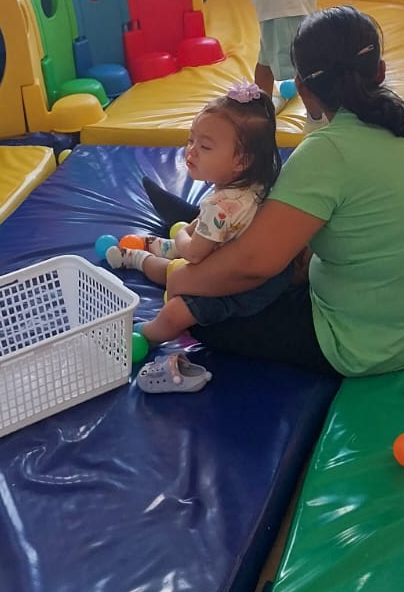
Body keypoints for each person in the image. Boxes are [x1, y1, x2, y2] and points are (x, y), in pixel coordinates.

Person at [150, 6, 404, 378]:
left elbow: (252, 266)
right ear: (381, 71)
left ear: (303, 90)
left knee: (204, 314)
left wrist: (179, 278)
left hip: (370, 340)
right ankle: (202, 221)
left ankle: (196, 225)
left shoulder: (326, 152)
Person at [108, 86, 293, 377]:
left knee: (174, 305)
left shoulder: (219, 206)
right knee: (177, 260)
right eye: (191, 139)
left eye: (205, 147)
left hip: (241, 289)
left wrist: (180, 233)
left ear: (241, 160)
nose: (191, 150)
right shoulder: (259, 183)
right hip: (270, 276)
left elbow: (194, 254)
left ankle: (145, 330)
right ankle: (146, 251)